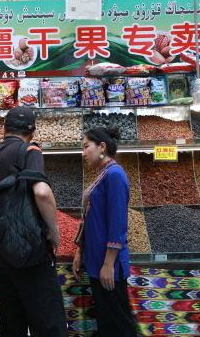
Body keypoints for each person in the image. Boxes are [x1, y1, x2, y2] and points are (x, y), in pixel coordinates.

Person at [0, 107, 66, 337]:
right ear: (32, 131)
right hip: (31, 254)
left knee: (11, 324)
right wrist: (54, 231)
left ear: (4, 129)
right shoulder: (30, 150)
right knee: (48, 324)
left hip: (0, 256)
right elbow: (42, 193)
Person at [73, 126, 136, 337]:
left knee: (118, 322)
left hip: (108, 265)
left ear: (102, 147)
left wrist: (108, 264)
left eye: (86, 147)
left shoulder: (115, 175)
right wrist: (80, 252)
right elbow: (91, 217)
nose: (83, 153)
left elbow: (118, 224)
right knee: (107, 321)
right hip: (96, 261)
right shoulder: (104, 174)